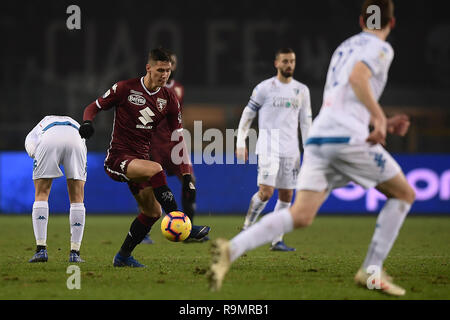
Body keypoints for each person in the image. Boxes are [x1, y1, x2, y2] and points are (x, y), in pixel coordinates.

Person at [208, 0, 415, 296]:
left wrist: (376, 119)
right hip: (345, 139)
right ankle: (372, 270)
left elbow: (346, 93)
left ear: (360, 21)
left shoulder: (344, 47)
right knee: (404, 193)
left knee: (301, 213)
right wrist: (380, 120)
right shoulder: (382, 48)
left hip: (319, 137)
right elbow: (359, 79)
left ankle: (232, 249)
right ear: (392, 23)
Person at [79, 48, 210, 267]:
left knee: (152, 212)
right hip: (117, 160)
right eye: (160, 70)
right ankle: (180, 222)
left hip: (140, 162)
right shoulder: (124, 88)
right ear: (148, 68)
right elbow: (93, 107)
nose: (164, 75)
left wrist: (186, 174)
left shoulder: (169, 98)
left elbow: (178, 138)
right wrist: (87, 123)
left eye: (168, 71)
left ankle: (122, 257)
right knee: (156, 169)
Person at [235, 48, 312, 251]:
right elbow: (247, 114)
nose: (289, 65)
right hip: (269, 146)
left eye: (292, 61)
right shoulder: (264, 88)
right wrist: (241, 142)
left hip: (292, 150)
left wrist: (309, 150)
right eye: (285, 61)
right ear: (276, 63)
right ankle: (246, 229)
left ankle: (277, 240)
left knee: (287, 196)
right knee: (266, 192)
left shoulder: (302, 90)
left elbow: (306, 122)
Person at [141, 50, 203, 244]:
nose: (168, 70)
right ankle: (144, 232)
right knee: (150, 188)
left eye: (171, 66)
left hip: (173, 145)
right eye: (164, 67)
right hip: (153, 145)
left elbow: (177, 118)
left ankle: (188, 229)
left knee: (189, 180)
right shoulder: (145, 90)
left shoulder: (178, 90)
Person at [25, 115, 87, 263]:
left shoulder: (37, 129)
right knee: (77, 198)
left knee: (41, 193)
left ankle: (41, 250)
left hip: (49, 138)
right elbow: (83, 143)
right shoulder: (73, 121)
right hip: (76, 138)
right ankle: (75, 253)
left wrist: (39, 158)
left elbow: (31, 146)